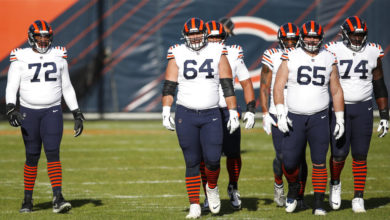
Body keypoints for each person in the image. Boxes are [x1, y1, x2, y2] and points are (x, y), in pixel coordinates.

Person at [161, 17, 240, 219]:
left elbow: (227, 84)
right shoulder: (177, 52)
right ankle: (194, 204)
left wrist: (232, 111)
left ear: (204, 33)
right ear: (185, 36)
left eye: (197, 33)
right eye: (191, 33)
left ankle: (212, 188)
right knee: (192, 162)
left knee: (213, 160)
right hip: (185, 113)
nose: (195, 37)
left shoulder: (216, 50)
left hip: (211, 113)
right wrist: (165, 109)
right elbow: (169, 85)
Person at [5, 20, 85, 213]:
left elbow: (67, 86)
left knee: (53, 153)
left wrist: (77, 112)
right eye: (40, 36)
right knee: (32, 156)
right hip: (28, 112)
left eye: (46, 36)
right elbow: (12, 86)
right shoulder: (20, 57)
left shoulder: (59, 56)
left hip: (52, 111)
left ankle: (58, 198)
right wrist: (10, 107)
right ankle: (27, 200)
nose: (43, 40)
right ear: (32, 37)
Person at [273, 20, 345, 215]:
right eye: (308, 36)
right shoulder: (291, 55)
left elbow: (336, 90)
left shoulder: (328, 57)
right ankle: (294, 187)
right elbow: (278, 85)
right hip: (294, 116)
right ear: (302, 38)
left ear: (320, 38)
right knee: (288, 161)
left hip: (319, 117)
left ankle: (319, 203)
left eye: (315, 36)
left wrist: (340, 118)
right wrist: (280, 112)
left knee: (319, 161)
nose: (311, 40)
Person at [324, 16, 389, 213]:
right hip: (339, 108)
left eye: (360, 35)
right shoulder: (332, 50)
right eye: (353, 34)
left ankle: (358, 197)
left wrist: (384, 115)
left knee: (360, 154)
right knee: (339, 154)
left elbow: (379, 84)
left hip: (364, 109)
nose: (357, 38)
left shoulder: (373, 51)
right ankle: (335, 183)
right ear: (344, 34)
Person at [199, 20, 255, 211]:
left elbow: (246, 82)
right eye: (212, 37)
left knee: (232, 153)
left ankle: (233, 186)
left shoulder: (232, 53)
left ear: (224, 38)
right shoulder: (194, 54)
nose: (215, 40)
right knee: (205, 157)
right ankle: (208, 192)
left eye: (219, 37)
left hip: (226, 109)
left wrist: (250, 109)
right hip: (205, 111)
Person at [260, 22, 308, 208]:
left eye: (294, 39)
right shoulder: (272, 55)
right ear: (280, 40)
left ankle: (299, 195)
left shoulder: (307, 55)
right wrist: (265, 113)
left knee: (300, 157)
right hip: (276, 112)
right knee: (281, 155)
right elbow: (265, 86)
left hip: (299, 111)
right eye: (287, 39)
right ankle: (279, 183)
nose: (290, 43)